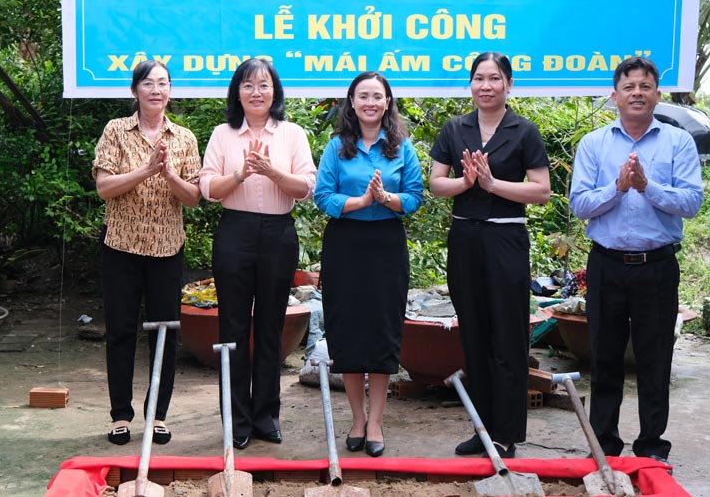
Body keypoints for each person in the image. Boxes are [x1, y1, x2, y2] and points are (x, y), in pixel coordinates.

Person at [569, 56, 704, 465]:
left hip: (657, 266)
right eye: (629, 87)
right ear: (615, 96)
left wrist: (647, 187)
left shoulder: (677, 142)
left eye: (645, 87)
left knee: (654, 356)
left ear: (657, 95)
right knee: (604, 356)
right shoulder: (594, 144)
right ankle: (604, 444)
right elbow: (579, 203)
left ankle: (650, 446)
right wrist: (618, 187)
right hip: (606, 264)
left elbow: (691, 202)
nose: (637, 94)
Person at [429, 52, 551, 459]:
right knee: (476, 335)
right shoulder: (455, 128)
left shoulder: (524, 130)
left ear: (508, 84)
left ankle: (507, 433)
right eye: (479, 78)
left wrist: (493, 183)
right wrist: (466, 183)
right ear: (471, 85)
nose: (486, 85)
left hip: (506, 241)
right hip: (465, 239)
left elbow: (541, 191)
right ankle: (482, 429)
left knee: (508, 337)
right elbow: (435, 184)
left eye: (494, 78)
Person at [199, 58, 317, 450]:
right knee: (233, 327)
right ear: (237, 92)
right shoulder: (222, 134)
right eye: (247, 85)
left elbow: (306, 187)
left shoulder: (292, 134)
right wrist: (241, 174)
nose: (256, 92)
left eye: (263, 85)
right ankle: (237, 420)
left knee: (271, 326)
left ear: (275, 91)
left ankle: (266, 416)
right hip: (235, 231)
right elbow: (208, 189)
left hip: (278, 233)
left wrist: (270, 172)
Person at [92, 60, 202, 446]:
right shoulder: (115, 131)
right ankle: (121, 415)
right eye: (148, 83)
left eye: (163, 83)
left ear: (170, 90)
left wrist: (169, 174)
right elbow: (105, 188)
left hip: (167, 248)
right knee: (120, 331)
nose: (156, 90)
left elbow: (194, 198)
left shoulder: (184, 138)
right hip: (121, 246)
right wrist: (146, 169)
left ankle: (157, 416)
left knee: (166, 333)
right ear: (135, 90)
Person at [314, 71, 423, 457]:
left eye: (378, 96)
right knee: (348, 330)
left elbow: (414, 197)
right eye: (363, 96)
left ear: (388, 102)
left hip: (386, 246)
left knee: (381, 331)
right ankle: (356, 418)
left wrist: (386, 198)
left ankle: (376, 421)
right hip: (345, 246)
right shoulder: (336, 147)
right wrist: (359, 202)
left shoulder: (401, 148)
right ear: (352, 102)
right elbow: (321, 196)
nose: (371, 102)